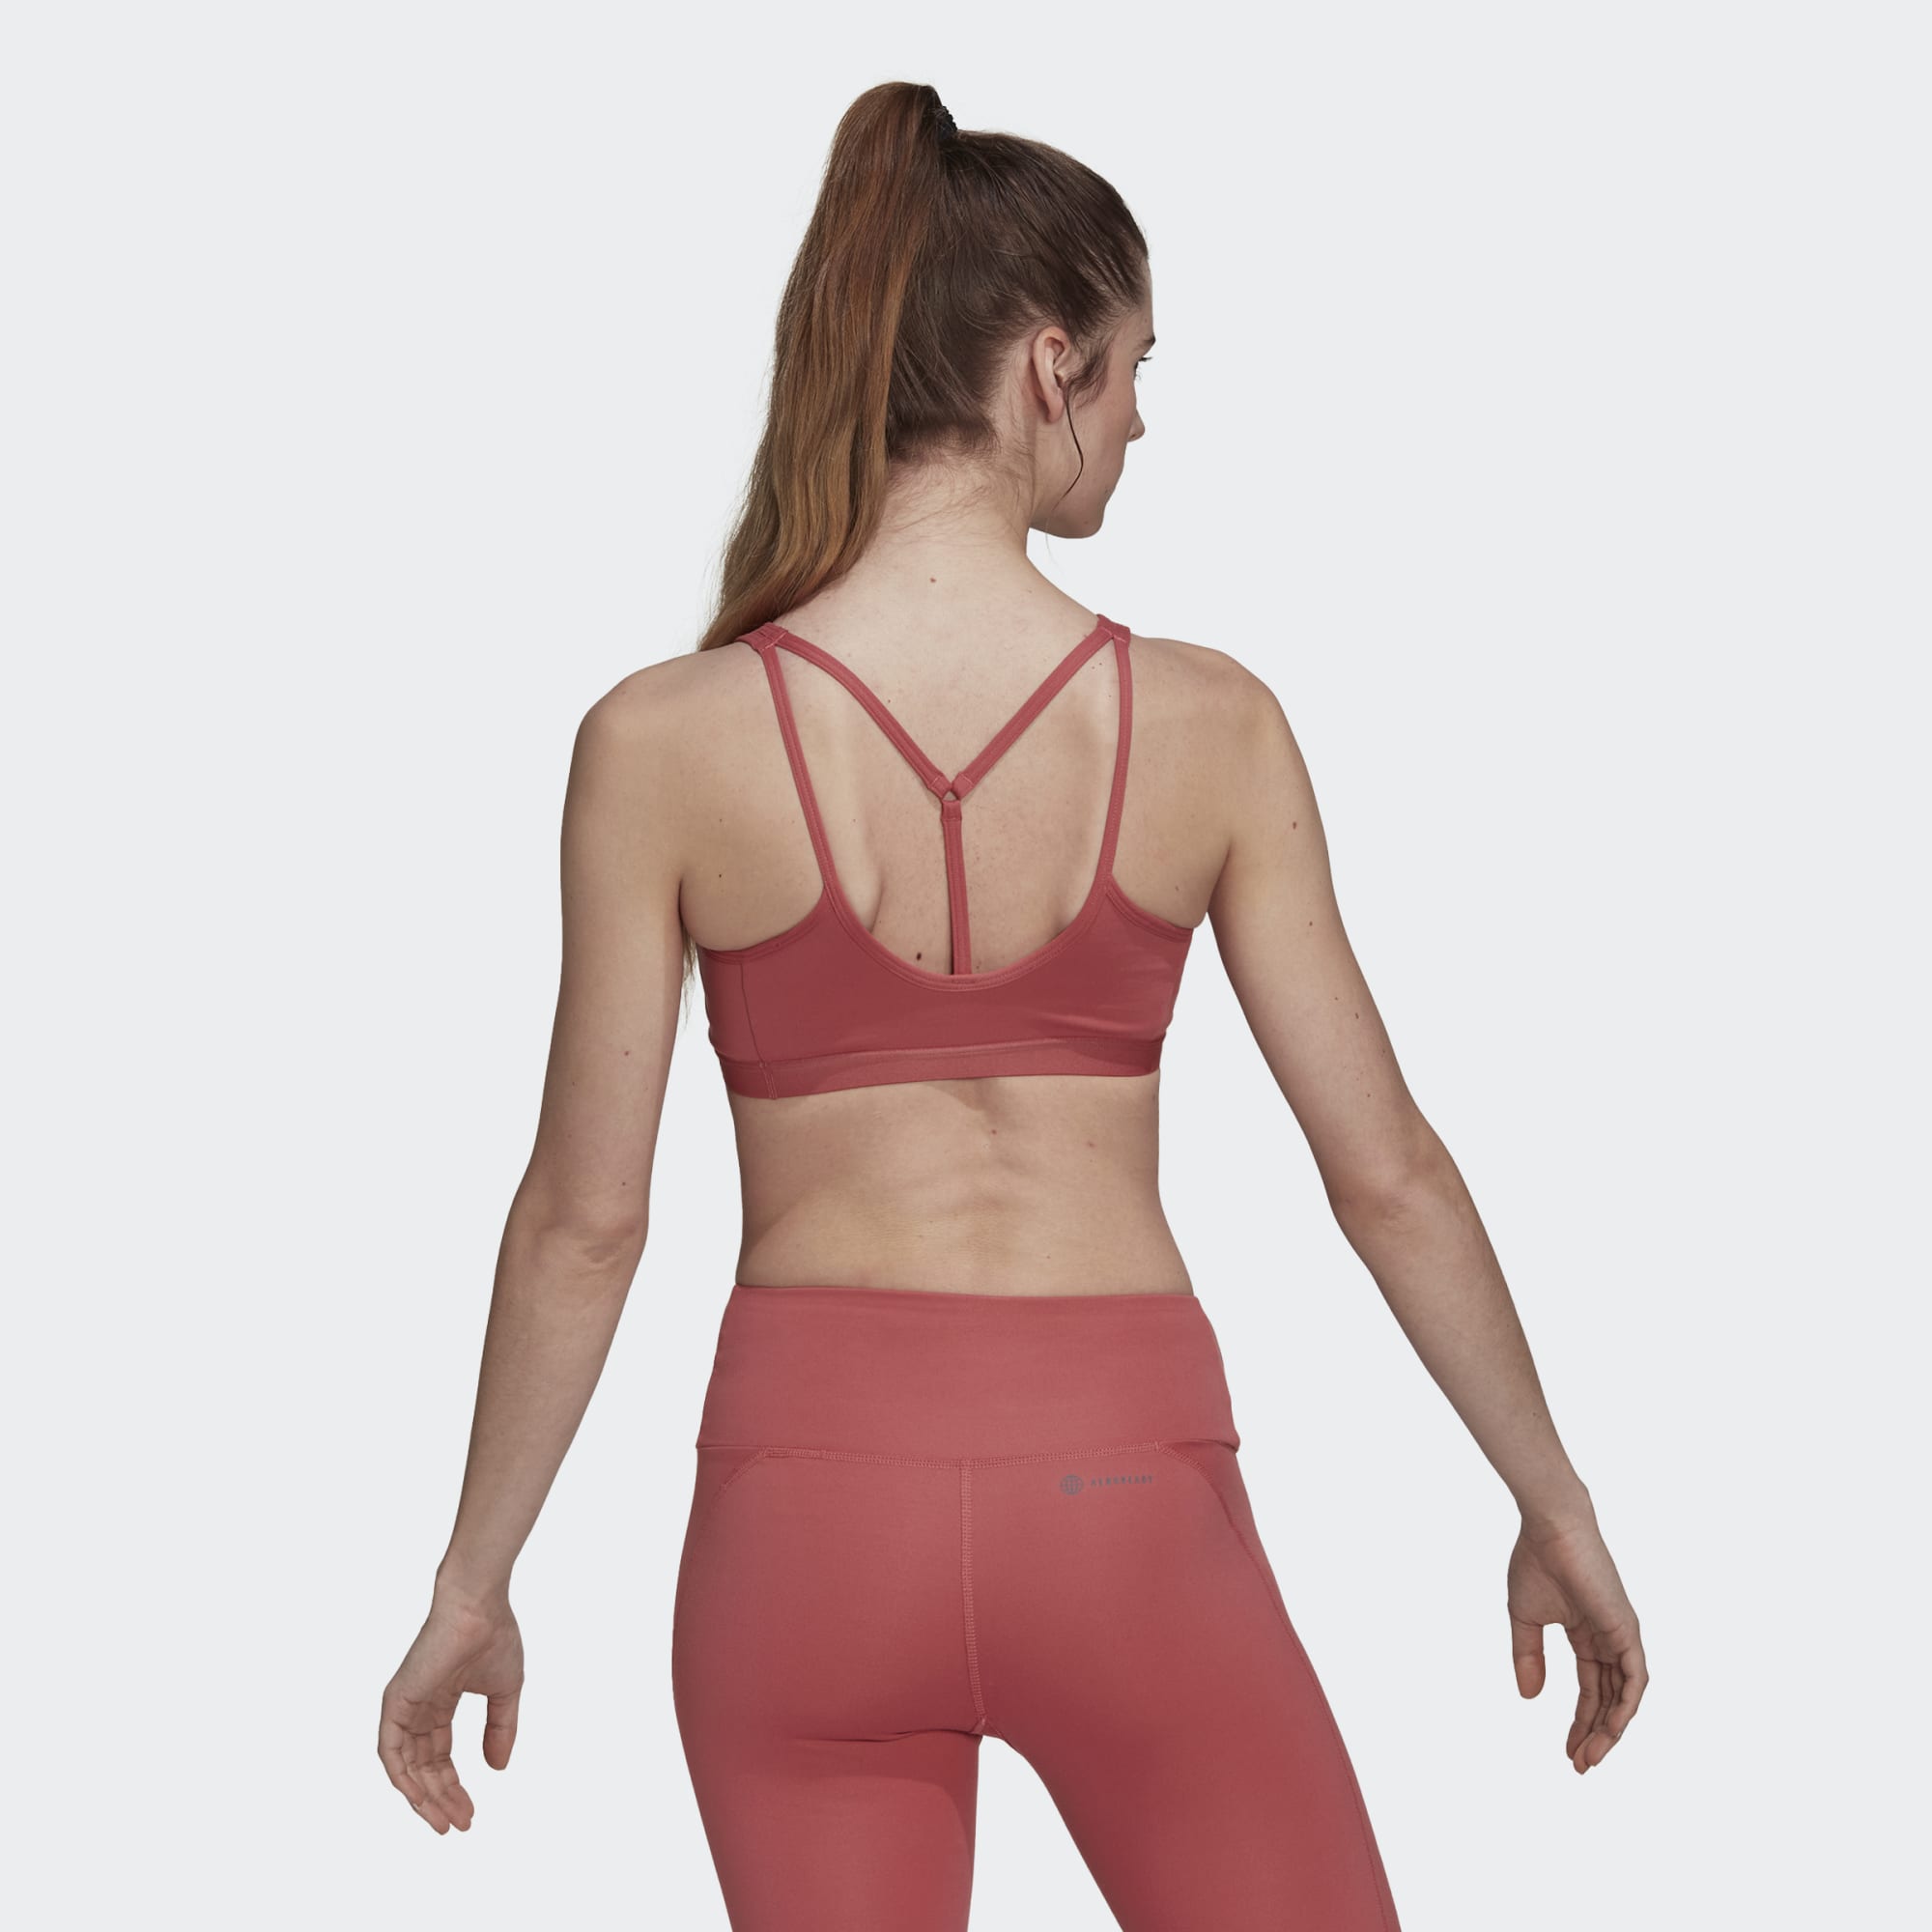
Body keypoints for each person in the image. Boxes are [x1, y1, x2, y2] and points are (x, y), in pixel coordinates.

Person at [378, 79, 1646, 1931]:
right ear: (1051, 366)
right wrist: (1554, 1500)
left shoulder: (661, 741)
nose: (1140, 421)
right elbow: (1388, 1175)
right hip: (1123, 1506)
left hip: (805, 1530)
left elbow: (586, 1219)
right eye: (1134, 370)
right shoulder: (1210, 727)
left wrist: (471, 1585)